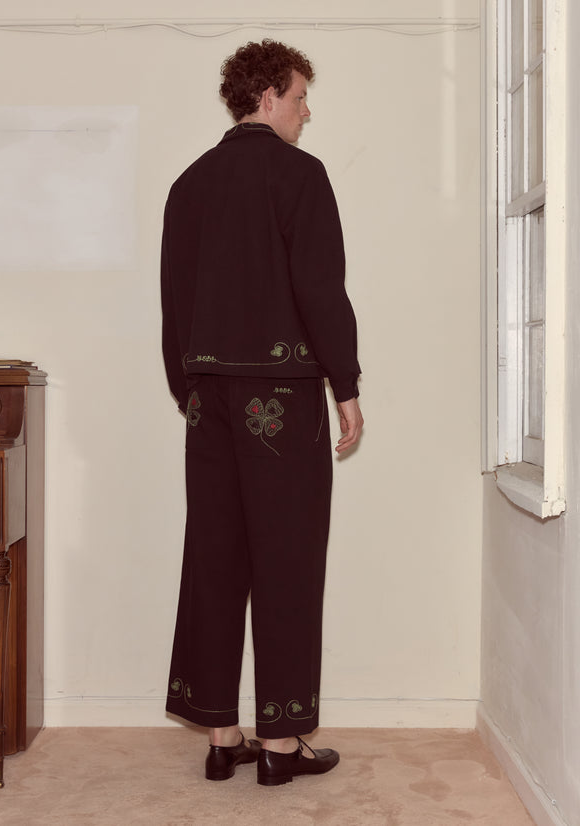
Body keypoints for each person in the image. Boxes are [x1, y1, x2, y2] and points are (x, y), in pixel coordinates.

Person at [161, 39, 363, 786]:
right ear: (269, 95)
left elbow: (173, 304)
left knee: (214, 558)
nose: (308, 112)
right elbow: (320, 289)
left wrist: (187, 388)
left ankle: (221, 737)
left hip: (206, 396)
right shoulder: (299, 176)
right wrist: (345, 384)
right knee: (287, 562)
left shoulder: (189, 184)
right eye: (302, 96)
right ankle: (280, 749)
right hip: (280, 398)